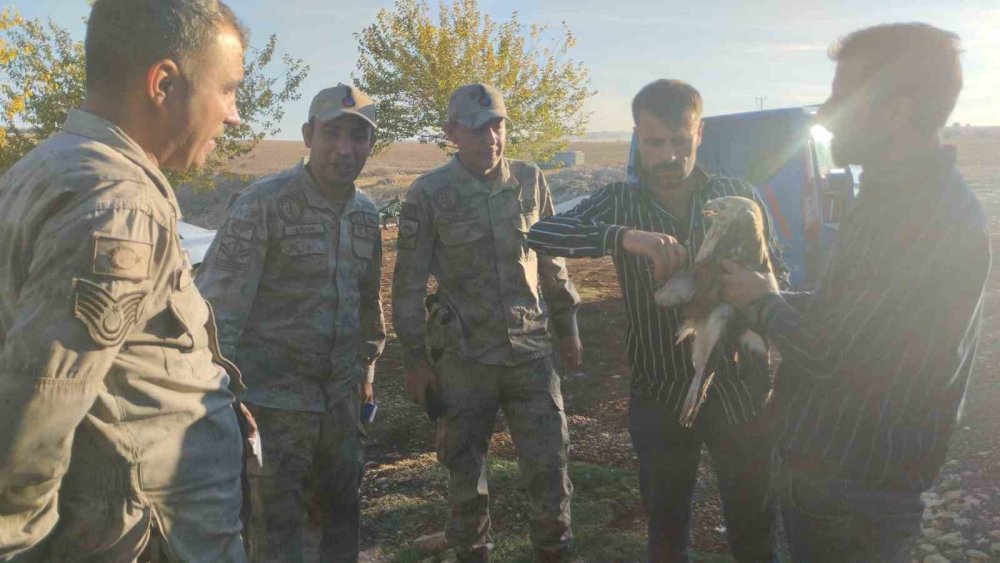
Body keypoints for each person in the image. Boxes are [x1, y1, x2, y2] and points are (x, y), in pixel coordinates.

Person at [720, 23, 990, 562]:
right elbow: (853, 323)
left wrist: (762, 299)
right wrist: (765, 298)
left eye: (841, 97)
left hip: (851, 494)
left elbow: (831, 351)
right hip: (845, 486)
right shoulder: (894, 197)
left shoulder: (917, 215)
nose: (823, 113)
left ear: (897, 111)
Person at [0, 0, 249, 560]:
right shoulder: (118, 206)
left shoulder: (44, 168)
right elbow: (32, 415)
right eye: (228, 89)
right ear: (162, 82)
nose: (233, 114)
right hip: (149, 536)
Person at [527, 79, 786, 562]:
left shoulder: (737, 197)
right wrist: (624, 237)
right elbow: (543, 232)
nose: (668, 156)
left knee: (753, 524)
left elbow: (781, 273)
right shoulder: (620, 202)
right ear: (636, 138)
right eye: (654, 143)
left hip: (740, 388)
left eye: (680, 142)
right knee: (666, 529)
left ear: (700, 134)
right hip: (660, 391)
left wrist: (757, 293)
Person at [196, 83, 386, 563]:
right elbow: (217, 314)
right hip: (273, 406)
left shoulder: (366, 215)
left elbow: (367, 304)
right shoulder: (265, 204)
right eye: (332, 134)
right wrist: (220, 407)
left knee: (343, 520)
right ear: (308, 135)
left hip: (341, 407)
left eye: (357, 138)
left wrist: (366, 378)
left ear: (370, 145)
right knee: (279, 534)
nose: (344, 150)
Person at [392, 83, 581, 562]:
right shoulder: (429, 194)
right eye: (476, 128)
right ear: (453, 132)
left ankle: (553, 553)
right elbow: (408, 285)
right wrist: (415, 359)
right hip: (465, 358)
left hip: (531, 354)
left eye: (497, 125)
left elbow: (552, 259)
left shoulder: (530, 180)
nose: (489, 138)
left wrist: (569, 324)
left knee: (549, 468)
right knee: (464, 475)